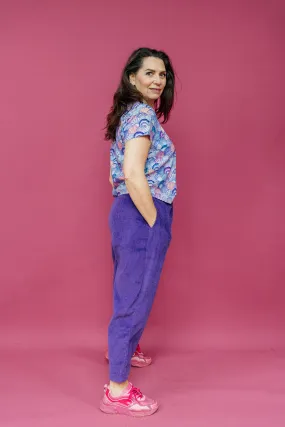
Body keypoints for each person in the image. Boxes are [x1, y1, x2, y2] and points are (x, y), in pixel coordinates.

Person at [100, 47, 177, 417]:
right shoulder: (143, 115)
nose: (157, 80)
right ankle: (118, 389)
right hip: (141, 211)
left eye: (162, 74)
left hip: (125, 213)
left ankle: (124, 348)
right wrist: (154, 222)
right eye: (149, 73)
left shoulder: (131, 114)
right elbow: (133, 173)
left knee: (127, 288)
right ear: (132, 78)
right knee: (135, 298)